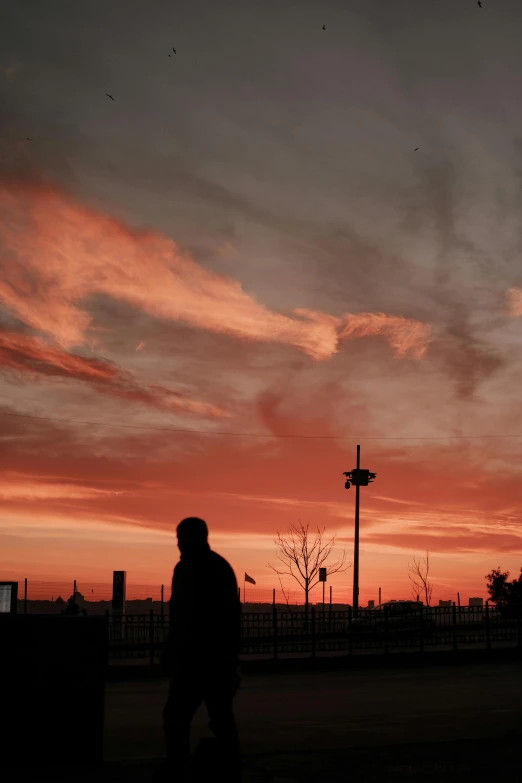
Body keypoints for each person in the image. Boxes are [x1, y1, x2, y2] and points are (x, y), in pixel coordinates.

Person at [158, 517, 242, 782]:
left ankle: (178, 768)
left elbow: (185, 616)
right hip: (217, 659)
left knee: (176, 717)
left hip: (197, 660)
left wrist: (172, 651)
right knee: (220, 718)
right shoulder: (218, 566)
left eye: (181, 538)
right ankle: (231, 766)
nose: (179, 544)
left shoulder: (189, 568)